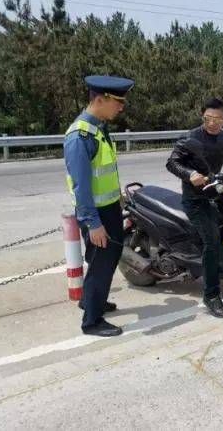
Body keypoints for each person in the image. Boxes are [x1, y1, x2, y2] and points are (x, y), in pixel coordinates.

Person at [166, 97, 223, 318]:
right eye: (208, 118)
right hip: (195, 198)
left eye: (217, 119)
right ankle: (212, 296)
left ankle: (207, 245)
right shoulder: (190, 137)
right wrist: (190, 174)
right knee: (212, 241)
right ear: (203, 117)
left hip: (214, 192)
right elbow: (172, 162)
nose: (212, 123)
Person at [63, 75, 134, 337]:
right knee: (103, 261)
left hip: (109, 207)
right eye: (118, 101)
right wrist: (93, 224)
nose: (121, 107)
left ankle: (92, 300)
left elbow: (101, 174)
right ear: (100, 100)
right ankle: (91, 321)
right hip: (97, 213)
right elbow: (81, 187)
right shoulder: (80, 136)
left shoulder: (99, 128)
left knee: (101, 258)